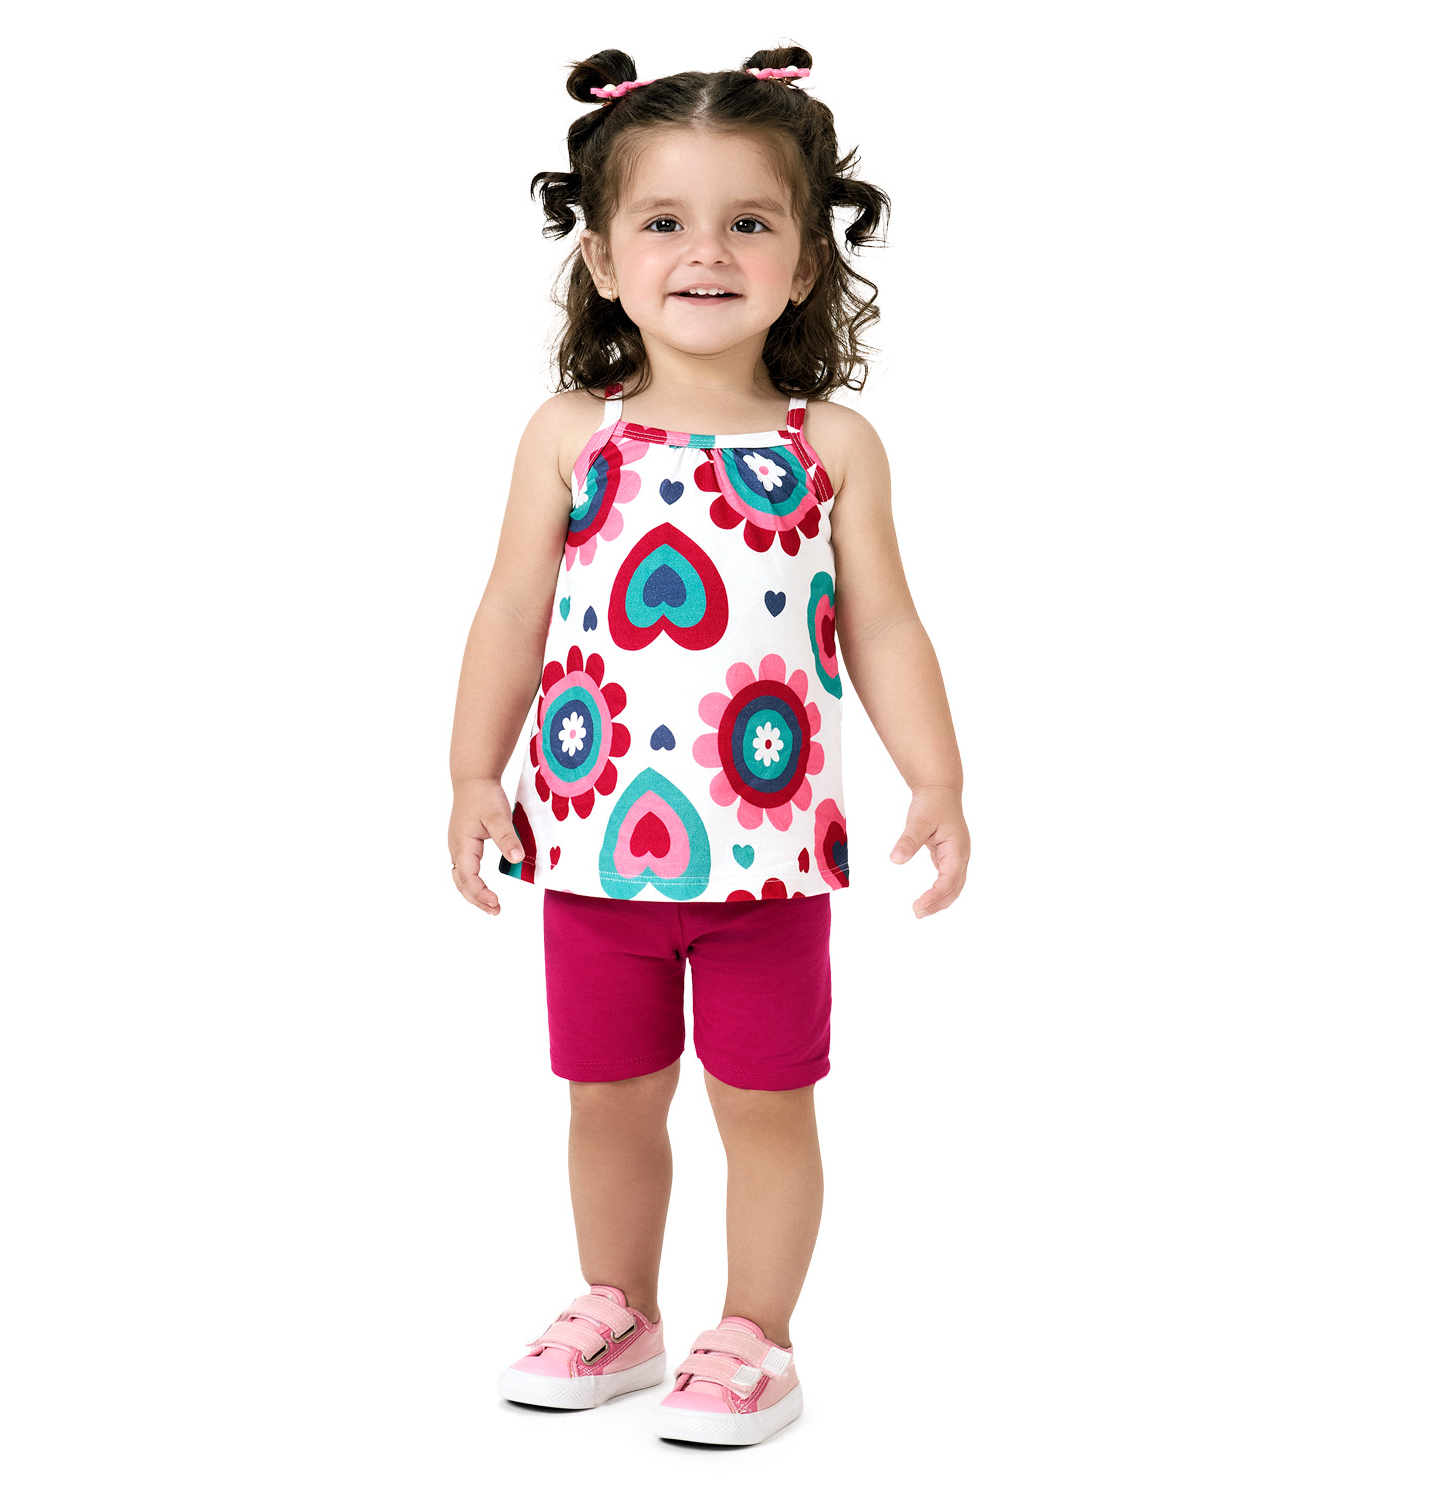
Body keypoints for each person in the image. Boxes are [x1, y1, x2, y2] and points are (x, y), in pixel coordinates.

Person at [448, 44, 969, 1446]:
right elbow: (509, 610)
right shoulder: (573, 435)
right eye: (665, 221)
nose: (707, 253)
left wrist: (936, 775)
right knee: (608, 1102)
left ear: (806, 261)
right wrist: (471, 773)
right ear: (602, 258)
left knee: (765, 1106)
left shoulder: (829, 446)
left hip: (769, 867)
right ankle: (619, 1309)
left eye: (748, 221)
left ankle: (756, 1337)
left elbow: (886, 625)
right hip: (592, 849)